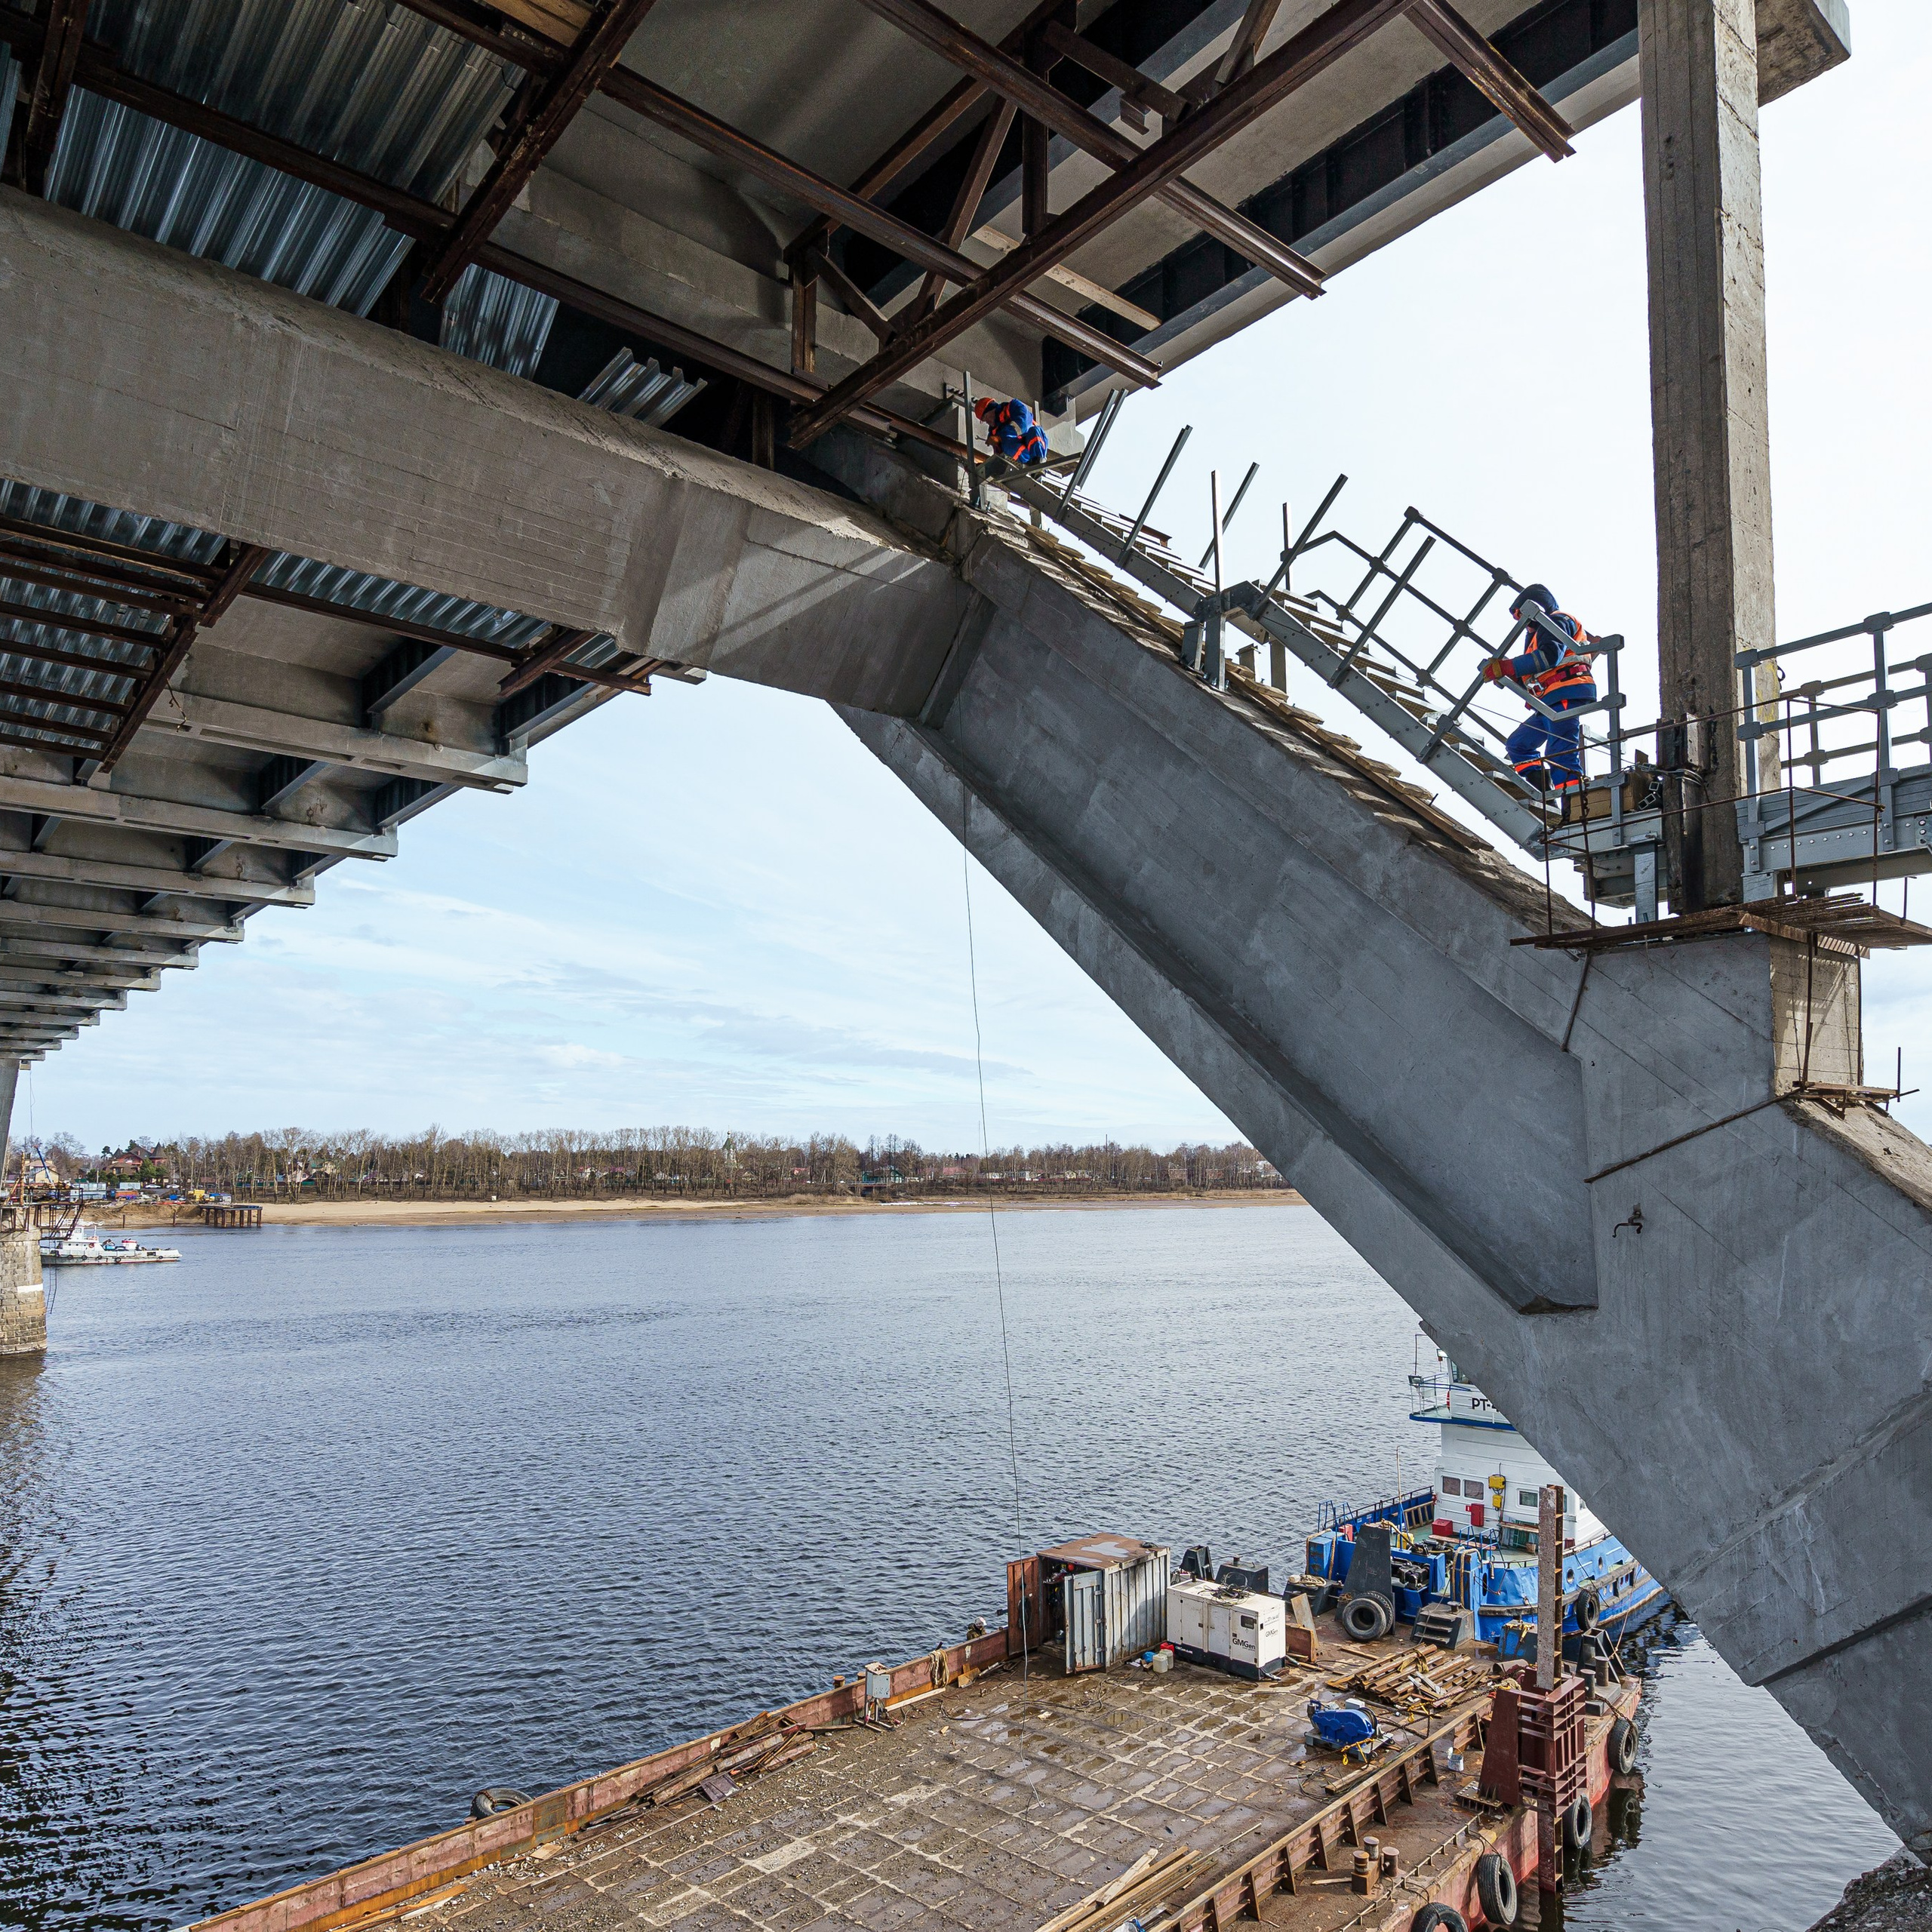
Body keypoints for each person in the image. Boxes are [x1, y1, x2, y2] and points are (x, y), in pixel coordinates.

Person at [1483, 583, 1598, 794]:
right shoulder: (1537, 634)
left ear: (1535, 608)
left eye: (1521, 615)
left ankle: (1573, 806)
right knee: (1518, 745)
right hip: (1548, 701)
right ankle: (1547, 796)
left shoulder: (1558, 620)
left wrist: (1508, 667)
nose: (1522, 623)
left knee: (1560, 753)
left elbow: (1549, 657)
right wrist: (1507, 676)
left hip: (1566, 692)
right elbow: (1535, 674)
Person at [974, 394, 1050, 466]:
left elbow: (1023, 425)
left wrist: (1001, 438)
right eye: (984, 421)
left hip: (1032, 446)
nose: (987, 421)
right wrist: (985, 467)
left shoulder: (1014, 407)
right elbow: (999, 456)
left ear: (991, 408)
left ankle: (1039, 463)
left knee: (1035, 430)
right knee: (1006, 446)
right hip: (1022, 460)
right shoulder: (993, 433)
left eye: (986, 417)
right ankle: (1028, 464)